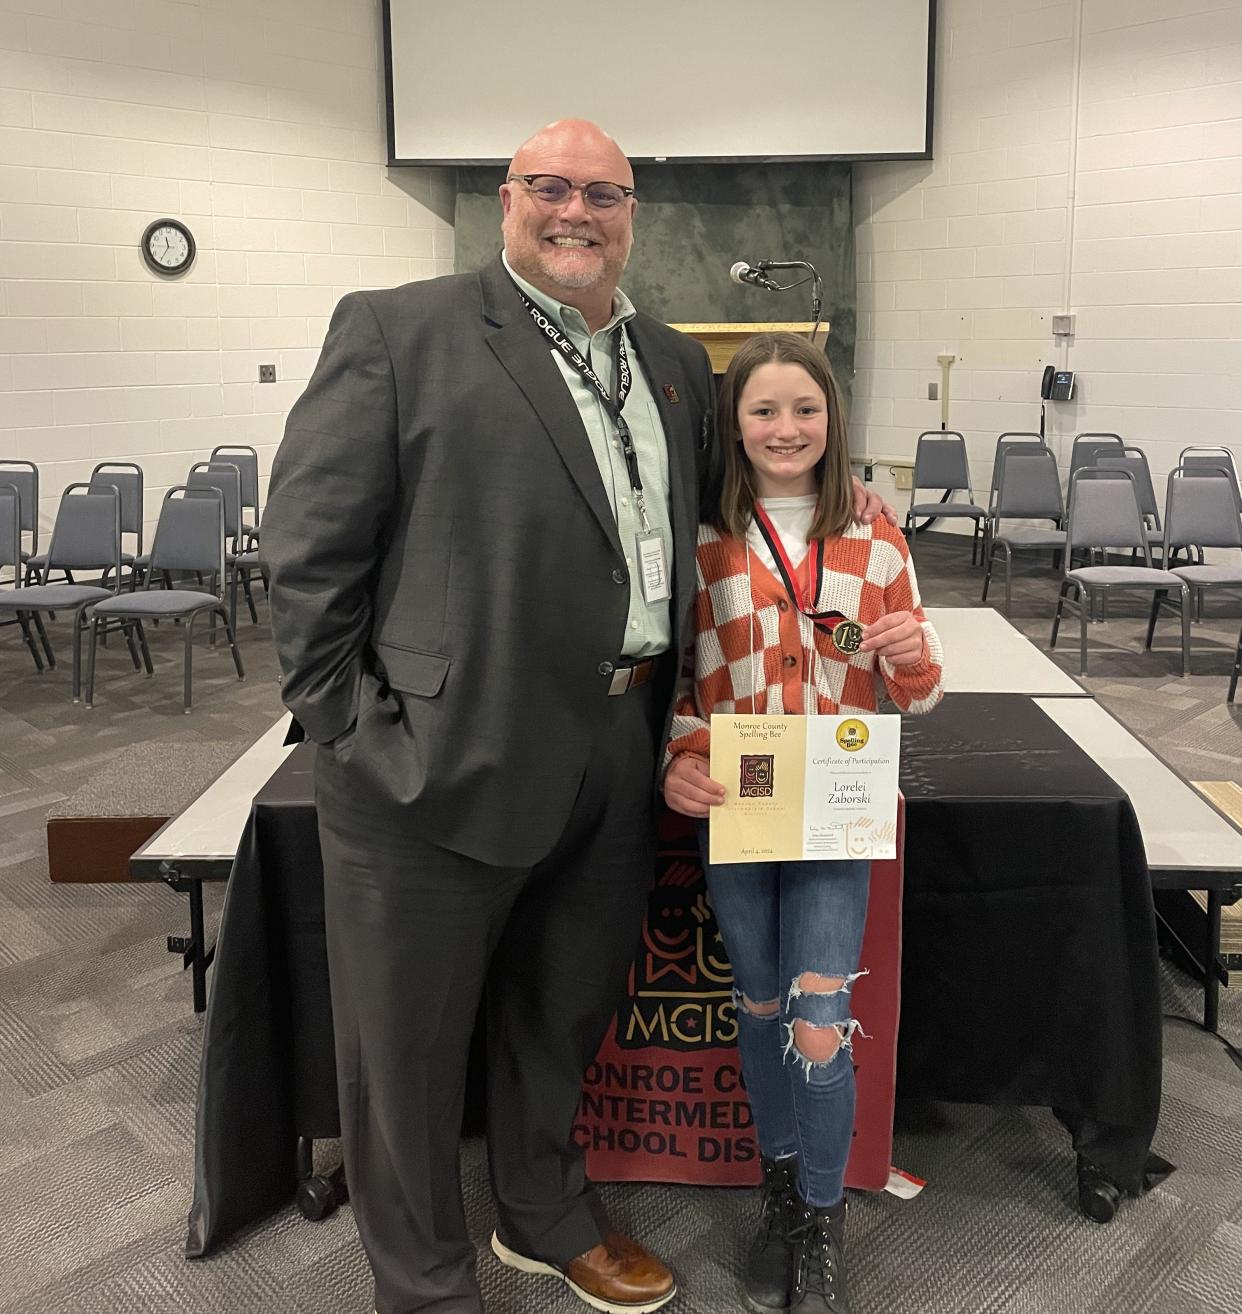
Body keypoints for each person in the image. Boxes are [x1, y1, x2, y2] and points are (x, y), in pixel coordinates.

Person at [262, 120, 894, 1314]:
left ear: (631, 214)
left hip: (617, 748)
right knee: (405, 1051)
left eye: (603, 193)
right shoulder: (400, 331)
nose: (576, 211)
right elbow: (306, 561)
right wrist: (355, 731)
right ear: (507, 201)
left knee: (561, 1011)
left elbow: (731, 530)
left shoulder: (668, 360)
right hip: (431, 762)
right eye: (550, 187)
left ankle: (542, 1215)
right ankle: (426, 1282)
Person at [662, 332, 943, 1314]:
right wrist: (678, 764)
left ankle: (820, 1214)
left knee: (820, 1024)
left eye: (805, 410)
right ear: (734, 425)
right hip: (740, 808)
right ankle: (783, 1191)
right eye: (764, 411)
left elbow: (920, 690)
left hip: (836, 814)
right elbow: (683, 685)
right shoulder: (706, 539)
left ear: (834, 420)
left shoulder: (877, 539)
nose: (786, 429)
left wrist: (907, 654)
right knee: (763, 1009)